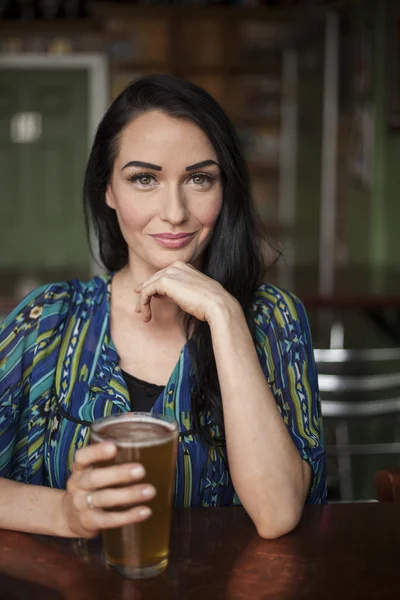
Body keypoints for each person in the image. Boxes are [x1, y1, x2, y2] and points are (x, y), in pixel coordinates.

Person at [0, 74, 326, 540]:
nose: (175, 212)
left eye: (199, 178)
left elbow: (278, 514)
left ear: (225, 188)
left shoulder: (272, 318)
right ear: (108, 190)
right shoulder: (46, 320)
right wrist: (65, 515)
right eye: (144, 179)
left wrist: (226, 314)